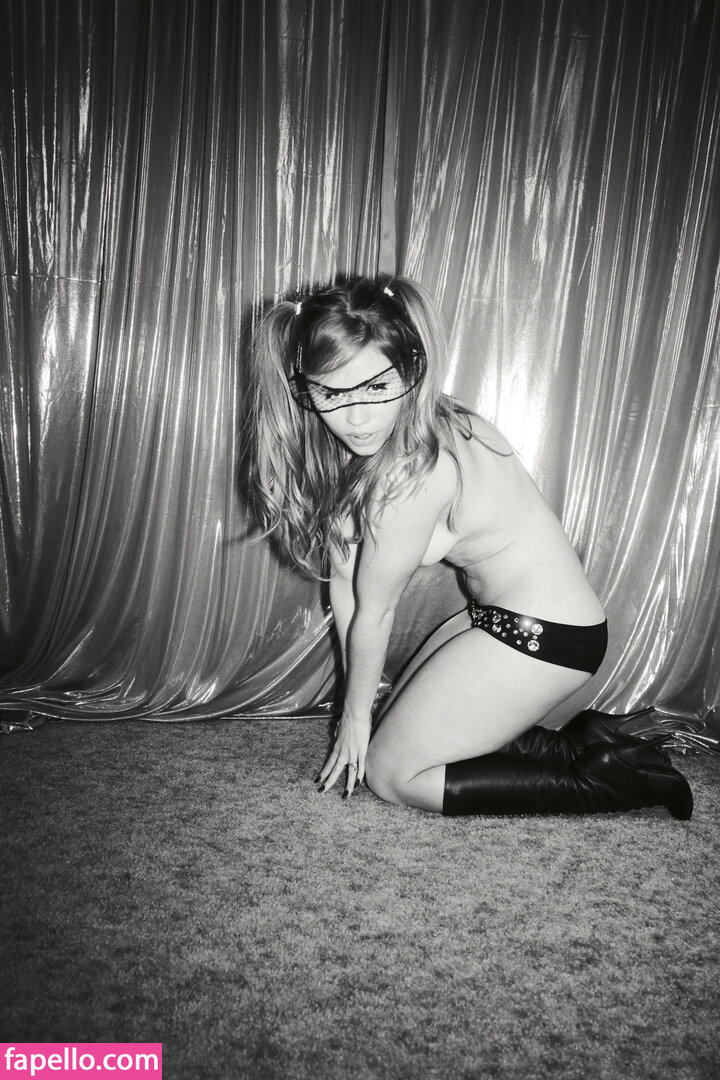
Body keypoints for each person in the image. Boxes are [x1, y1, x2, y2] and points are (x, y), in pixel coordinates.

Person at [244, 274, 692, 820]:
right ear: (305, 387)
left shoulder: (412, 470)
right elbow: (347, 584)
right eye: (332, 393)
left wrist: (355, 717)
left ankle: (613, 781)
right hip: (495, 618)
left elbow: (376, 611)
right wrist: (353, 709)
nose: (356, 418)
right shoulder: (412, 425)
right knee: (385, 730)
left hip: (551, 636)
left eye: (376, 388)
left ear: (410, 370)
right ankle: (583, 741)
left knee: (390, 774)